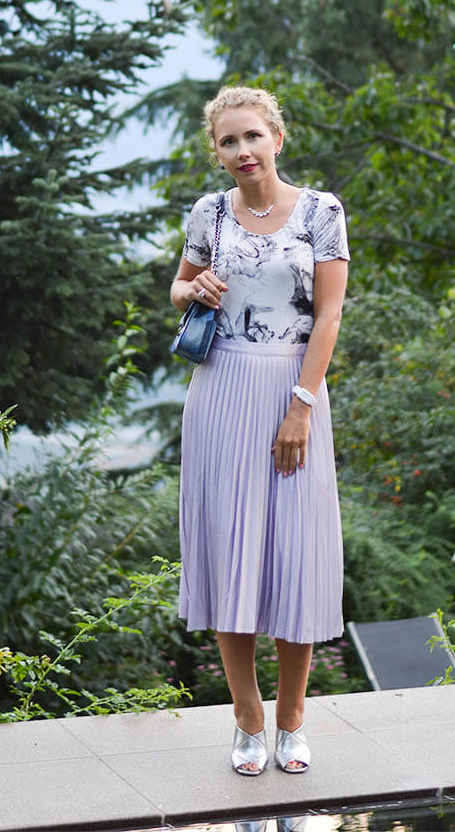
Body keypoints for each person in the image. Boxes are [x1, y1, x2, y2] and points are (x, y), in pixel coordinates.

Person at [170, 85, 349, 776]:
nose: (242, 150)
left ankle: (293, 717)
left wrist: (301, 404)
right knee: (232, 552)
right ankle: (247, 715)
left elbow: (329, 316)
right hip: (219, 392)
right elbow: (177, 290)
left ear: (279, 137)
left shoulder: (320, 213)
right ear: (217, 155)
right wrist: (195, 287)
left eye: (252, 136)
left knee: (295, 557)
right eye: (228, 141)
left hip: (292, 387)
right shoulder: (209, 213)